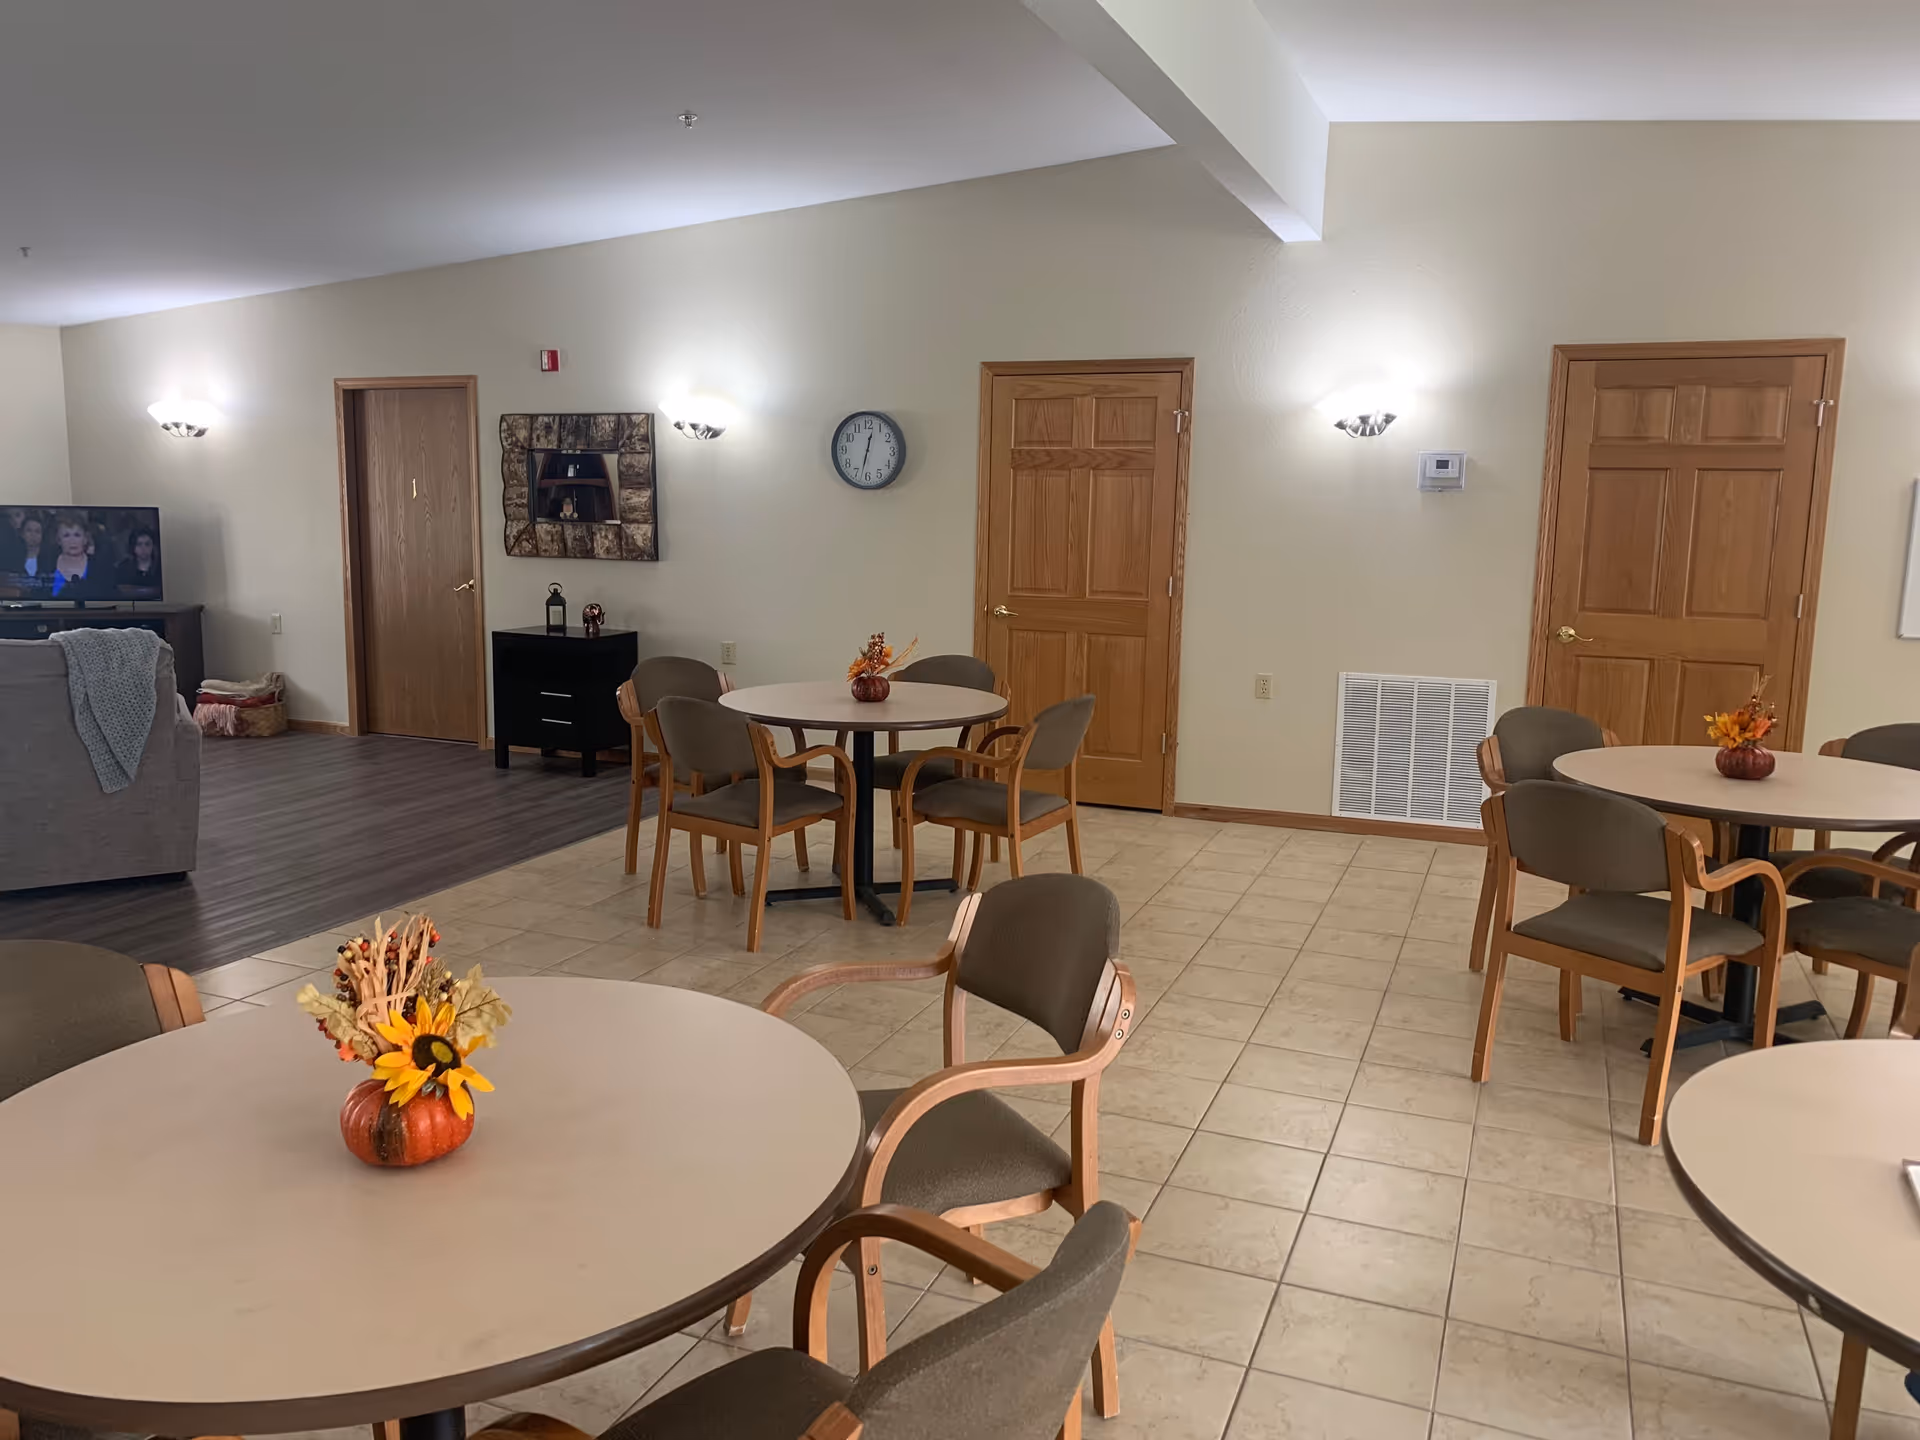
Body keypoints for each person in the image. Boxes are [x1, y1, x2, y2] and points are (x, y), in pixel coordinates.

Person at [48, 516, 104, 600]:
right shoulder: (47, 565)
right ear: (58, 540)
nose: (72, 541)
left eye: (77, 535)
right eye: (66, 535)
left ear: (85, 539)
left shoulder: (100, 566)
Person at [114, 525, 163, 594]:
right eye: (139, 544)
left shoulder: (161, 568)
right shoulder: (123, 569)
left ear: (153, 546)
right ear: (133, 547)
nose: (143, 548)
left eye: (147, 544)